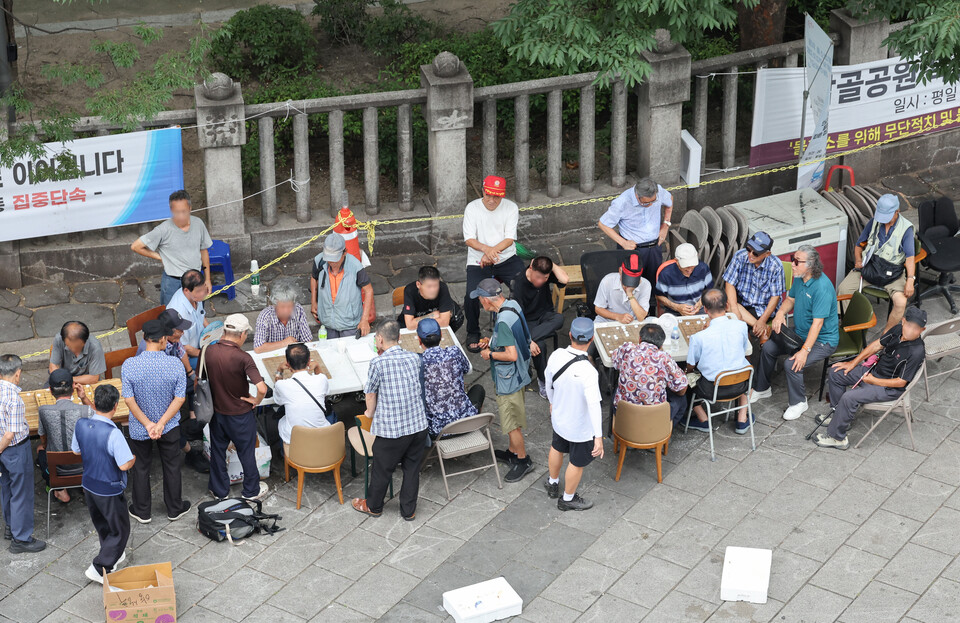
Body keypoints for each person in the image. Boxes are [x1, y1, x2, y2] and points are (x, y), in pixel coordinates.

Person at [815, 306, 927, 450]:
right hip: (873, 371)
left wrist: (873, 381)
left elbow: (901, 382)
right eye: (909, 325)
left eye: (916, 328)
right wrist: (852, 363)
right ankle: (840, 417)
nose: (911, 331)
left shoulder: (916, 351)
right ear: (903, 321)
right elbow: (876, 345)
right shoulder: (898, 329)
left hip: (888, 388)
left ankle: (837, 438)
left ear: (922, 330)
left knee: (849, 397)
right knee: (836, 372)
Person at [751, 246, 839, 421]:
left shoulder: (822, 288)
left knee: (792, 365)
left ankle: (799, 402)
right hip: (800, 333)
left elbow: (818, 324)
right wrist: (780, 314)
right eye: (793, 258)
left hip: (823, 340)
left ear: (811, 265)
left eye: (797, 261)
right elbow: (790, 300)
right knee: (768, 347)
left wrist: (804, 351)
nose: (792, 264)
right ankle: (762, 388)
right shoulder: (799, 277)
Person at [352, 321, 428, 520]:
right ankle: (408, 510)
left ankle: (374, 506)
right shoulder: (414, 358)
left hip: (392, 430)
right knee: (412, 469)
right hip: (418, 424)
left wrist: (369, 413)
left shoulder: (378, 363)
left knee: (382, 469)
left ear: (379, 339)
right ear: (399, 338)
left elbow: (370, 393)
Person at [122, 319, 190, 523]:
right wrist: (160, 424)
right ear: (163, 340)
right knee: (171, 465)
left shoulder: (130, 365)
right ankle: (174, 508)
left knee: (141, 467)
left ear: (144, 338)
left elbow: (128, 399)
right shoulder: (175, 364)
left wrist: (148, 424)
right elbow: (180, 398)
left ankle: (142, 511)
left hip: (139, 426)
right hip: (168, 425)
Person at [72, 384, 135, 584]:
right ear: (116, 405)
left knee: (103, 524)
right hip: (109, 488)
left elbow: (76, 451)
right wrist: (133, 457)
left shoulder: (81, 424)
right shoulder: (113, 433)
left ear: (96, 402)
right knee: (120, 529)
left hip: (89, 484)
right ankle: (100, 568)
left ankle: (114, 554)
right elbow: (124, 465)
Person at [474, 278, 535, 483]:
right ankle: (512, 452)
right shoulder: (512, 305)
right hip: (520, 373)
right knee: (512, 419)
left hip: (509, 380)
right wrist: (491, 341)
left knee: (512, 423)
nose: (480, 303)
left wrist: (489, 354)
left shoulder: (501, 322)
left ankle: (523, 459)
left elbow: (511, 355)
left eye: (480, 299)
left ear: (486, 300)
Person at [205, 314, 270, 502]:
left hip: (217, 412)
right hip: (240, 415)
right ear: (242, 334)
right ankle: (250, 491)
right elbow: (262, 388)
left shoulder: (208, 351)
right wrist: (255, 400)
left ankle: (219, 491)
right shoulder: (243, 357)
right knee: (246, 453)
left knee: (218, 451)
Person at [137, 309, 208, 473]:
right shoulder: (153, 350)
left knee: (199, 382)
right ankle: (189, 451)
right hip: (156, 392)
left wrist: (190, 373)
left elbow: (181, 351)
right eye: (179, 330)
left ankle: (192, 423)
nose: (182, 333)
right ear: (165, 334)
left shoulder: (171, 340)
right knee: (170, 425)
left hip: (172, 379)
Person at [544, 318, 603, 511]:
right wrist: (598, 437)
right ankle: (567, 499)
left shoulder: (557, 355)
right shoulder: (589, 371)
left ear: (570, 335)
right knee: (576, 463)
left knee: (556, 447)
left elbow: (548, 380)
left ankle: (552, 483)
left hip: (559, 418)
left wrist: (552, 402)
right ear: (592, 339)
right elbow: (594, 405)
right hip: (580, 427)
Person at [837, 193, 917, 332]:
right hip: (870, 267)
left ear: (897, 212)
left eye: (887, 217)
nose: (883, 221)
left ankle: (886, 334)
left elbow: (910, 258)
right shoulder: (875, 221)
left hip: (893, 273)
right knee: (843, 289)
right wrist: (858, 260)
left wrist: (910, 279)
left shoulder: (906, 229)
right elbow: (858, 245)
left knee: (901, 301)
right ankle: (851, 326)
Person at [462, 175, 524, 352]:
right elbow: (469, 239)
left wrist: (491, 253)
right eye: (488, 195)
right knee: (470, 296)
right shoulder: (472, 208)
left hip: (506, 258)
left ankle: (515, 325)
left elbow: (509, 239)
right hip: (477, 259)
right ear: (483, 191)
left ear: (502, 195)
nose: (491, 200)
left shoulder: (511, 208)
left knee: (521, 286)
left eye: (496, 196)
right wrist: (487, 251)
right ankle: (472, 331)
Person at [686, 289, 752, 433]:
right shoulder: (741, 326)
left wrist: (688, 373)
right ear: (727, 305)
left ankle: (703, 418)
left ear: (705, 309)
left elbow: (691, 365)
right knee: (748, 370)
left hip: (711, 389)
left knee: (684, 378)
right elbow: (743, 349)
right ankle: (742, 418)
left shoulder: (699, 337)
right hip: (740, 385)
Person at [131, 189, 214, 305]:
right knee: (171, 318)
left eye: (184, 211)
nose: (180, 216)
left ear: (190, 208)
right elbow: (136, 246)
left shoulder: (198, 223)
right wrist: (160, 257)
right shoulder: (163, 229)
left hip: (196, 281)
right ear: (171, 210)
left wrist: (208, 279)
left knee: (197, 315)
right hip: (173, 282)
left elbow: (204, 251)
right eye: (176, 212)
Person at [0, 354, 46, 553]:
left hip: (2, 451)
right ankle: (21, 538)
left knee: (7, 489)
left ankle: (11, 526)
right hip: (15, 450)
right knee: (22, 493)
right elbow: (10, 434)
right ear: (17, 374)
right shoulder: (14, 400)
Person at [511, 256, 568, 398]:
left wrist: (550, 263)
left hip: (544, 316)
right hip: (527, 320)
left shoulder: (545, 275)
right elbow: (516, 316)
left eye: (545, 278)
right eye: (538, 277)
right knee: (540, 346)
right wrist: (531, 341)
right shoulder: (518, 284)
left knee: (559, 318)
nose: (541, 281)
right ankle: (543, 381)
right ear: (531, 268)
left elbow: (564, 280)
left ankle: (526, 340)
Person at [598, 178, 674, 283]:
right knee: (630, 283)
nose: (651, 205)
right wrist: (623, 243)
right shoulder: (622, 202)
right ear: (637, 196)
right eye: (646, 203)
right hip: (633, 250)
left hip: (655, 247)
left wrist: (666, 225)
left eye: (654, 201)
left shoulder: (658, 191)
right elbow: (603, 224)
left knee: (655, 282)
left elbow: (669, 201)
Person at [418, 318, 484, 439]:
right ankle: (474, 434)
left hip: (438, 430)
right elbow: (466, 369)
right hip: (467, 422)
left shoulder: (418, 362)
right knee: (478, 389)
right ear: (441, 335)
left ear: (419, 340)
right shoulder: (454, 352)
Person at [613, 324, 689, 423]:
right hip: (653, 418)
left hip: (624, 414)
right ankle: (660, 433)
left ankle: (618, 431)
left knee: (617, 387)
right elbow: (682, 389)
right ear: (661, 346)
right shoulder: (664, 358)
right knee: (682, 399)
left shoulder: (627, 348)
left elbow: (615, 361)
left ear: (640, 339)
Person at [37, 369, 90, 503]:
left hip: (57, 470)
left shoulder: (43, 411)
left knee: (41, 451)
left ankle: (60, 490)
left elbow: (43, 438)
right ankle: (85, 485)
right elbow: (101, 417)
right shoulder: (85, 410)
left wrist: (45, 446)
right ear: (73, 387)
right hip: (85, 467)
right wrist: (83, 397)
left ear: (50, 390)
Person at [272, 342, 334, 456]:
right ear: (309, 360)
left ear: (288, 363)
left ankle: (284, 453)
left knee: (280, 417)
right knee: (331, 413)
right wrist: (318, 367)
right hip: (321, 435)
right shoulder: (321, 379)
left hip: (296, 440)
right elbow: (325, 391)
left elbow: (277, 400)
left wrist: (279, 370)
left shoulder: (282, 385)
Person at [310, 233, 374, 338]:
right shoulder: (319, 261)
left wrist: (364, 320)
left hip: (350, 323)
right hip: (327, 321)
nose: (332, 263)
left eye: (335, 259)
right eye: (329, 259)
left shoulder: (355, 266)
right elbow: (314, 277)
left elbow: (368, 290)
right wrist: (313, 302)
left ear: (344, 252)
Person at [723, 231, 785, 340]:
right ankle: (763, 330)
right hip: (741, 301)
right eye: (748, 249)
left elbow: (775, 297)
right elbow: (729, 282)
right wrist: (735, 310)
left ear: (767, 254)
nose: (750, 255)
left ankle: (757, 330)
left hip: (762, 307)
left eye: (755, 253)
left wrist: (762, 320)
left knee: (739, 332)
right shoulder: (740, 256)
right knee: (731, 314)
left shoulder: (776, 266)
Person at [254, 280, 313, 353]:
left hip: (294, 355)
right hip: (272, 355)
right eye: (282, 307)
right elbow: (258, 348)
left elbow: (307, 340)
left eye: (290, 306)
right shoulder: (265, 316)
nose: (286, 310)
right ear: (274, 305)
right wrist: (284, 343)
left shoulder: (298, 309)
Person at [655, 243, 713, 316]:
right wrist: (676, 307)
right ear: (677, 261)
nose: (690, 270)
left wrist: (701, 302)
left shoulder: (703, 268)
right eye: (686, 267)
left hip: (700, 309)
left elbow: (710, 290)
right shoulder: (666, 274)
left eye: (692, 266)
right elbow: (659, 296)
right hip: (674, 312)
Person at [398, 266, 461, 332]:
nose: (433, 290)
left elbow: (444, 323)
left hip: (431, 327)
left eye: (435, 285)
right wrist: (432, 316)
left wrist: (416, 322)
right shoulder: (410, 290)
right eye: (429, 286)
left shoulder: (442, 288)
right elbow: (410, 325)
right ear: (418, 284)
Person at [594, 254, 652, 325]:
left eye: (634, 281)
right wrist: (618, 317)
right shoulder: (607, 281)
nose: (629, 284)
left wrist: (630, 294)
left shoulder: (645, 284)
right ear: (620, 270)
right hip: (608, 320)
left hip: (633, 322)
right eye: (627, 279)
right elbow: (598, 309)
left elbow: (641, 317)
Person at [166, 268, 210, 361]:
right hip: (187, 355)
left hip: (201, 342)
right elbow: (183, 346)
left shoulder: (195, 297)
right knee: (214, 362)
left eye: (204, 288)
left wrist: (212, 331)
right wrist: (205, 355)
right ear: (186, 290)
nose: (203, 293)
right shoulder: (179, 312)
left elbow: (201, 316)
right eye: (198, 291)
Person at [49, 321, 106, 385]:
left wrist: (69, 379)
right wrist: (62, 380)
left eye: (78, 347)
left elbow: (93, 378)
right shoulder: (59, 339)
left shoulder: (95, 347)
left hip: (85, 382)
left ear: (85, 341)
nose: (74, 350)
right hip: (63, 381)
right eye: (69, 346)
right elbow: (53, 366)